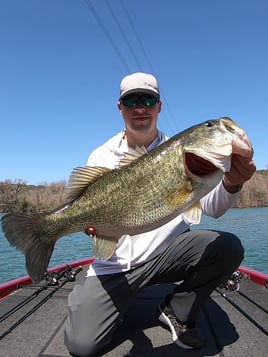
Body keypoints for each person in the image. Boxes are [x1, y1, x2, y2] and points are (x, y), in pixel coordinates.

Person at [64, 72, 256, 356]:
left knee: (227, 247)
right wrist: (90, 223)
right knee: (82, 346)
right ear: (120, 108)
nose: (140, 107)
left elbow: (214, 208)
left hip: (168, 256)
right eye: (132, 100)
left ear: (159, 106)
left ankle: (176, 308)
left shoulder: (183, 154)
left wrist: (233, 181)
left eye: (148, 99)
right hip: (116, 265)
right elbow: (88, 205)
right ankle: (98, 299)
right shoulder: (102, 156)